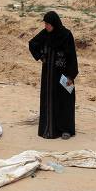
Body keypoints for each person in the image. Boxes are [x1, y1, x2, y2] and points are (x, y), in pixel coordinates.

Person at [28, 11, 78, 140]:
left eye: (48, 24)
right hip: (48, 76)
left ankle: (66, 130)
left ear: (55, 24)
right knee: (49, 100)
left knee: (64, 101)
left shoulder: (66, 35)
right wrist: (41, 56)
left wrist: (70, 76)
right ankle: (49, 128)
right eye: (45, 24)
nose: (46, 26)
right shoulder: (45, 34)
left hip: (63, 75)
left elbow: (72, 56)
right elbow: (32, 44)